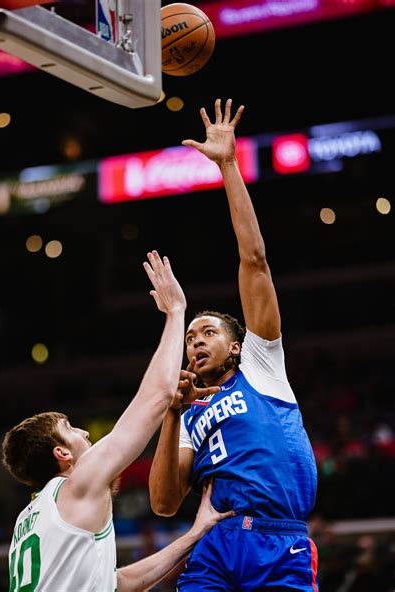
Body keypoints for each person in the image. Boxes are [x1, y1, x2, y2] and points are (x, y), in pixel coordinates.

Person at [148, 100, 319, 591]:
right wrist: (170, 412)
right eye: (189, 338)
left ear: (239, 345)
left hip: (277, 540)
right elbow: (163, 503)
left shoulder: (263, 365)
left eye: (207, 333)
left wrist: (227, 166)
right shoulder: (190, 411)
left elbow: (255, 261)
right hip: (214, 545)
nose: (195, 343)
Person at [2, 250, 233, 592]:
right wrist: (175, 313)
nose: (83, 432)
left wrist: (195, 534)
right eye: (70, 430)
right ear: (62, 455)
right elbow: (154, 399)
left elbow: (119, 582)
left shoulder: (29, 519)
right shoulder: (76, 484)